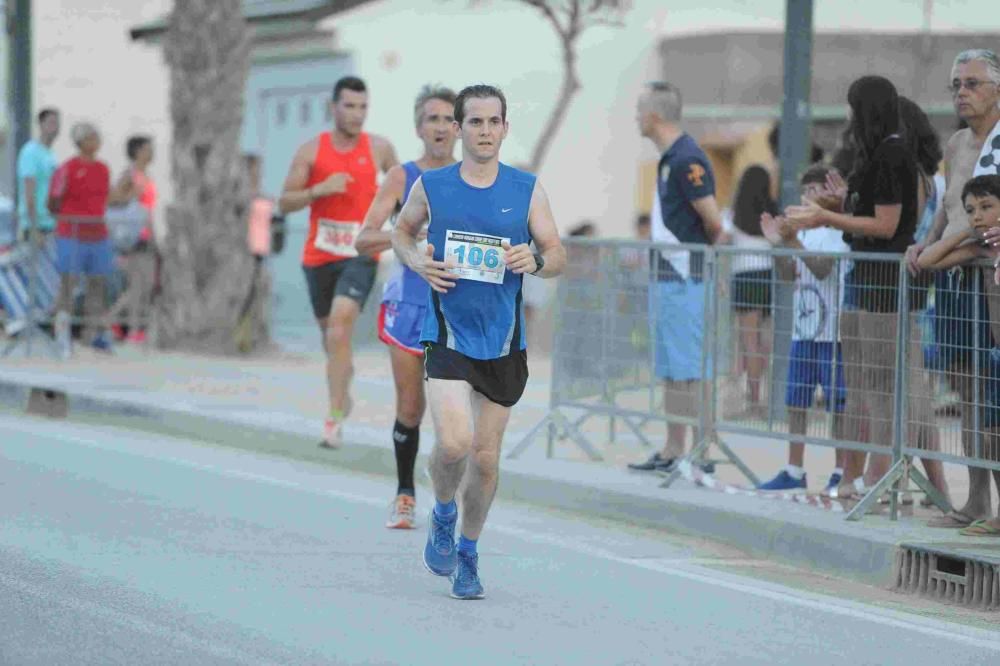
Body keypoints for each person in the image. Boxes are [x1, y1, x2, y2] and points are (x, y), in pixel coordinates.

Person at [392, 84, 566, 600]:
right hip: (447, 331)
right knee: (453, 443)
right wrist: (416, 260)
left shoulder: (526, 189)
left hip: (503, 340)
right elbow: (402, 233)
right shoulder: (434, 185)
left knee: (486, 460)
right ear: (460, 129)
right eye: (475, 122)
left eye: (494, 122)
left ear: (505, 128)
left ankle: (467, 552)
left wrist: (533, 260)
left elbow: (557, 254)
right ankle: (442, 512)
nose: (485, 131)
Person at [786, 76, 933, 504]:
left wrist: (827, 219)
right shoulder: (874, 158)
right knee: (862, 389)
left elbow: (887, 226)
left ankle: (886, 478)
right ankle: (862, 477)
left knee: (883, 391)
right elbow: (870, 211)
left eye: (853, 108)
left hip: (884, 288)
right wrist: (842, 201)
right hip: (864, 281)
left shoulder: (892, 154)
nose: (849, 118)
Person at [354, 84, 459, 530]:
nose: (439, 127)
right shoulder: (402, 176)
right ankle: (404, 493)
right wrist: (408, 238)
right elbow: (364, 238)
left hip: (456, 307)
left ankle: (447, 502)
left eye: (447, 119)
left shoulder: (474, 175)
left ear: (459, 128)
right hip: (409, 305)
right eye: (431, 118)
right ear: (419, 127)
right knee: (412, 408)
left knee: (454, 420)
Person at [906, 49, 1000, 528]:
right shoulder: (957, 143)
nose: (962, 92)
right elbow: (948, 207)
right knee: (966, 393)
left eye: (972, 83)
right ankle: (976, 501)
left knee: (994, 395)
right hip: (955, 278)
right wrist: (925, 244)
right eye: (956, 85)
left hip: (990, 276)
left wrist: (943, 251)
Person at [278, 76, 398, 448]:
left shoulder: (380, 149)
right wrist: (318, 190)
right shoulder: (311, 151)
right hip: (318, 256)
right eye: (349, 106)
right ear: (334, 108)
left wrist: (405, 222)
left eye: (363, 107)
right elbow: (285, 202)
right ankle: (341, 383)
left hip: (360, 252)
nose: (357, 114)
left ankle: (333, 420)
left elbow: (404, 190)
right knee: (332, 338)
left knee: (341, 324)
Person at [628, 81, 725, 472]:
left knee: (691, 368)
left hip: (686, 277)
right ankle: (673, 450)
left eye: (638, 110)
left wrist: (701, 265)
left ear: (653, 116)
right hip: (669, 278)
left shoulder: (687, 158)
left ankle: (700, 451)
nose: (635, 117)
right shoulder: (669, 158)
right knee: (673, 367)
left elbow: (714, 223)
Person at [757, 164, 849, 495]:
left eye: (816, 190)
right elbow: (787, 274)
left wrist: (792, 241)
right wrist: (779, 244)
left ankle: (842, 471)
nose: (808, 197)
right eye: (805, 190)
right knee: (797, 402)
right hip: (804, 331)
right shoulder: (804, 232)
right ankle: (794, 469)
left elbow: (823, 269)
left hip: (833, 333)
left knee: (838, 405)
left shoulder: (838, 230)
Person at [918, 174, 1000, 534]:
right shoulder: (981, 249)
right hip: (997, 355)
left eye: (987, 207)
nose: (978, 215)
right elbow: (929, 260)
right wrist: (965, 232)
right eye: (971, 210)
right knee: (993, 434)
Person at [49, 122, 130, 356]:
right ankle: (62, 334)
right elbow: (54, 199)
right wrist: (62, 218)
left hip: (97, 235)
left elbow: (109, 198)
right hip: (72, 234)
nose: (97, 141)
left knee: (98, 285)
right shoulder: (68, 168)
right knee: (68, 283)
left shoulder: (103, 169)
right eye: (92, 137)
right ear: (81, 141)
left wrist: (124, 189)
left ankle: (93, 334)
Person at [728, 162, 777, 416]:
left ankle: (752, 399)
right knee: (763, 341)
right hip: (768, 278)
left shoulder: (734, 216)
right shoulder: (772, 214)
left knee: (748, 341)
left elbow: (722, 238)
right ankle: (761, 396)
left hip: (745, 277)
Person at [105, 135, 157, 344]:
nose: (152, 152)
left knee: (145, 285)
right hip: (132, 237)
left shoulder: (147, 175)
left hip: (146, 234)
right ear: (137, 152)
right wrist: (132, 195)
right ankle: (124, 325)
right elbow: (112, 200)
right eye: (148, 149)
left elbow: (148, 210)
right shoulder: (130, 175)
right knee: (137, 285)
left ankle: (117, 322)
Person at [17, 108, 60, 245]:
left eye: (57, 123)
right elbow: (29, 190)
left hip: (50, 224)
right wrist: (34, 227)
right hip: (36, 225)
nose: (55, 127)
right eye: (51, 123)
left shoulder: (51, 155)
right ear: (41, 124)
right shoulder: (30, 152)